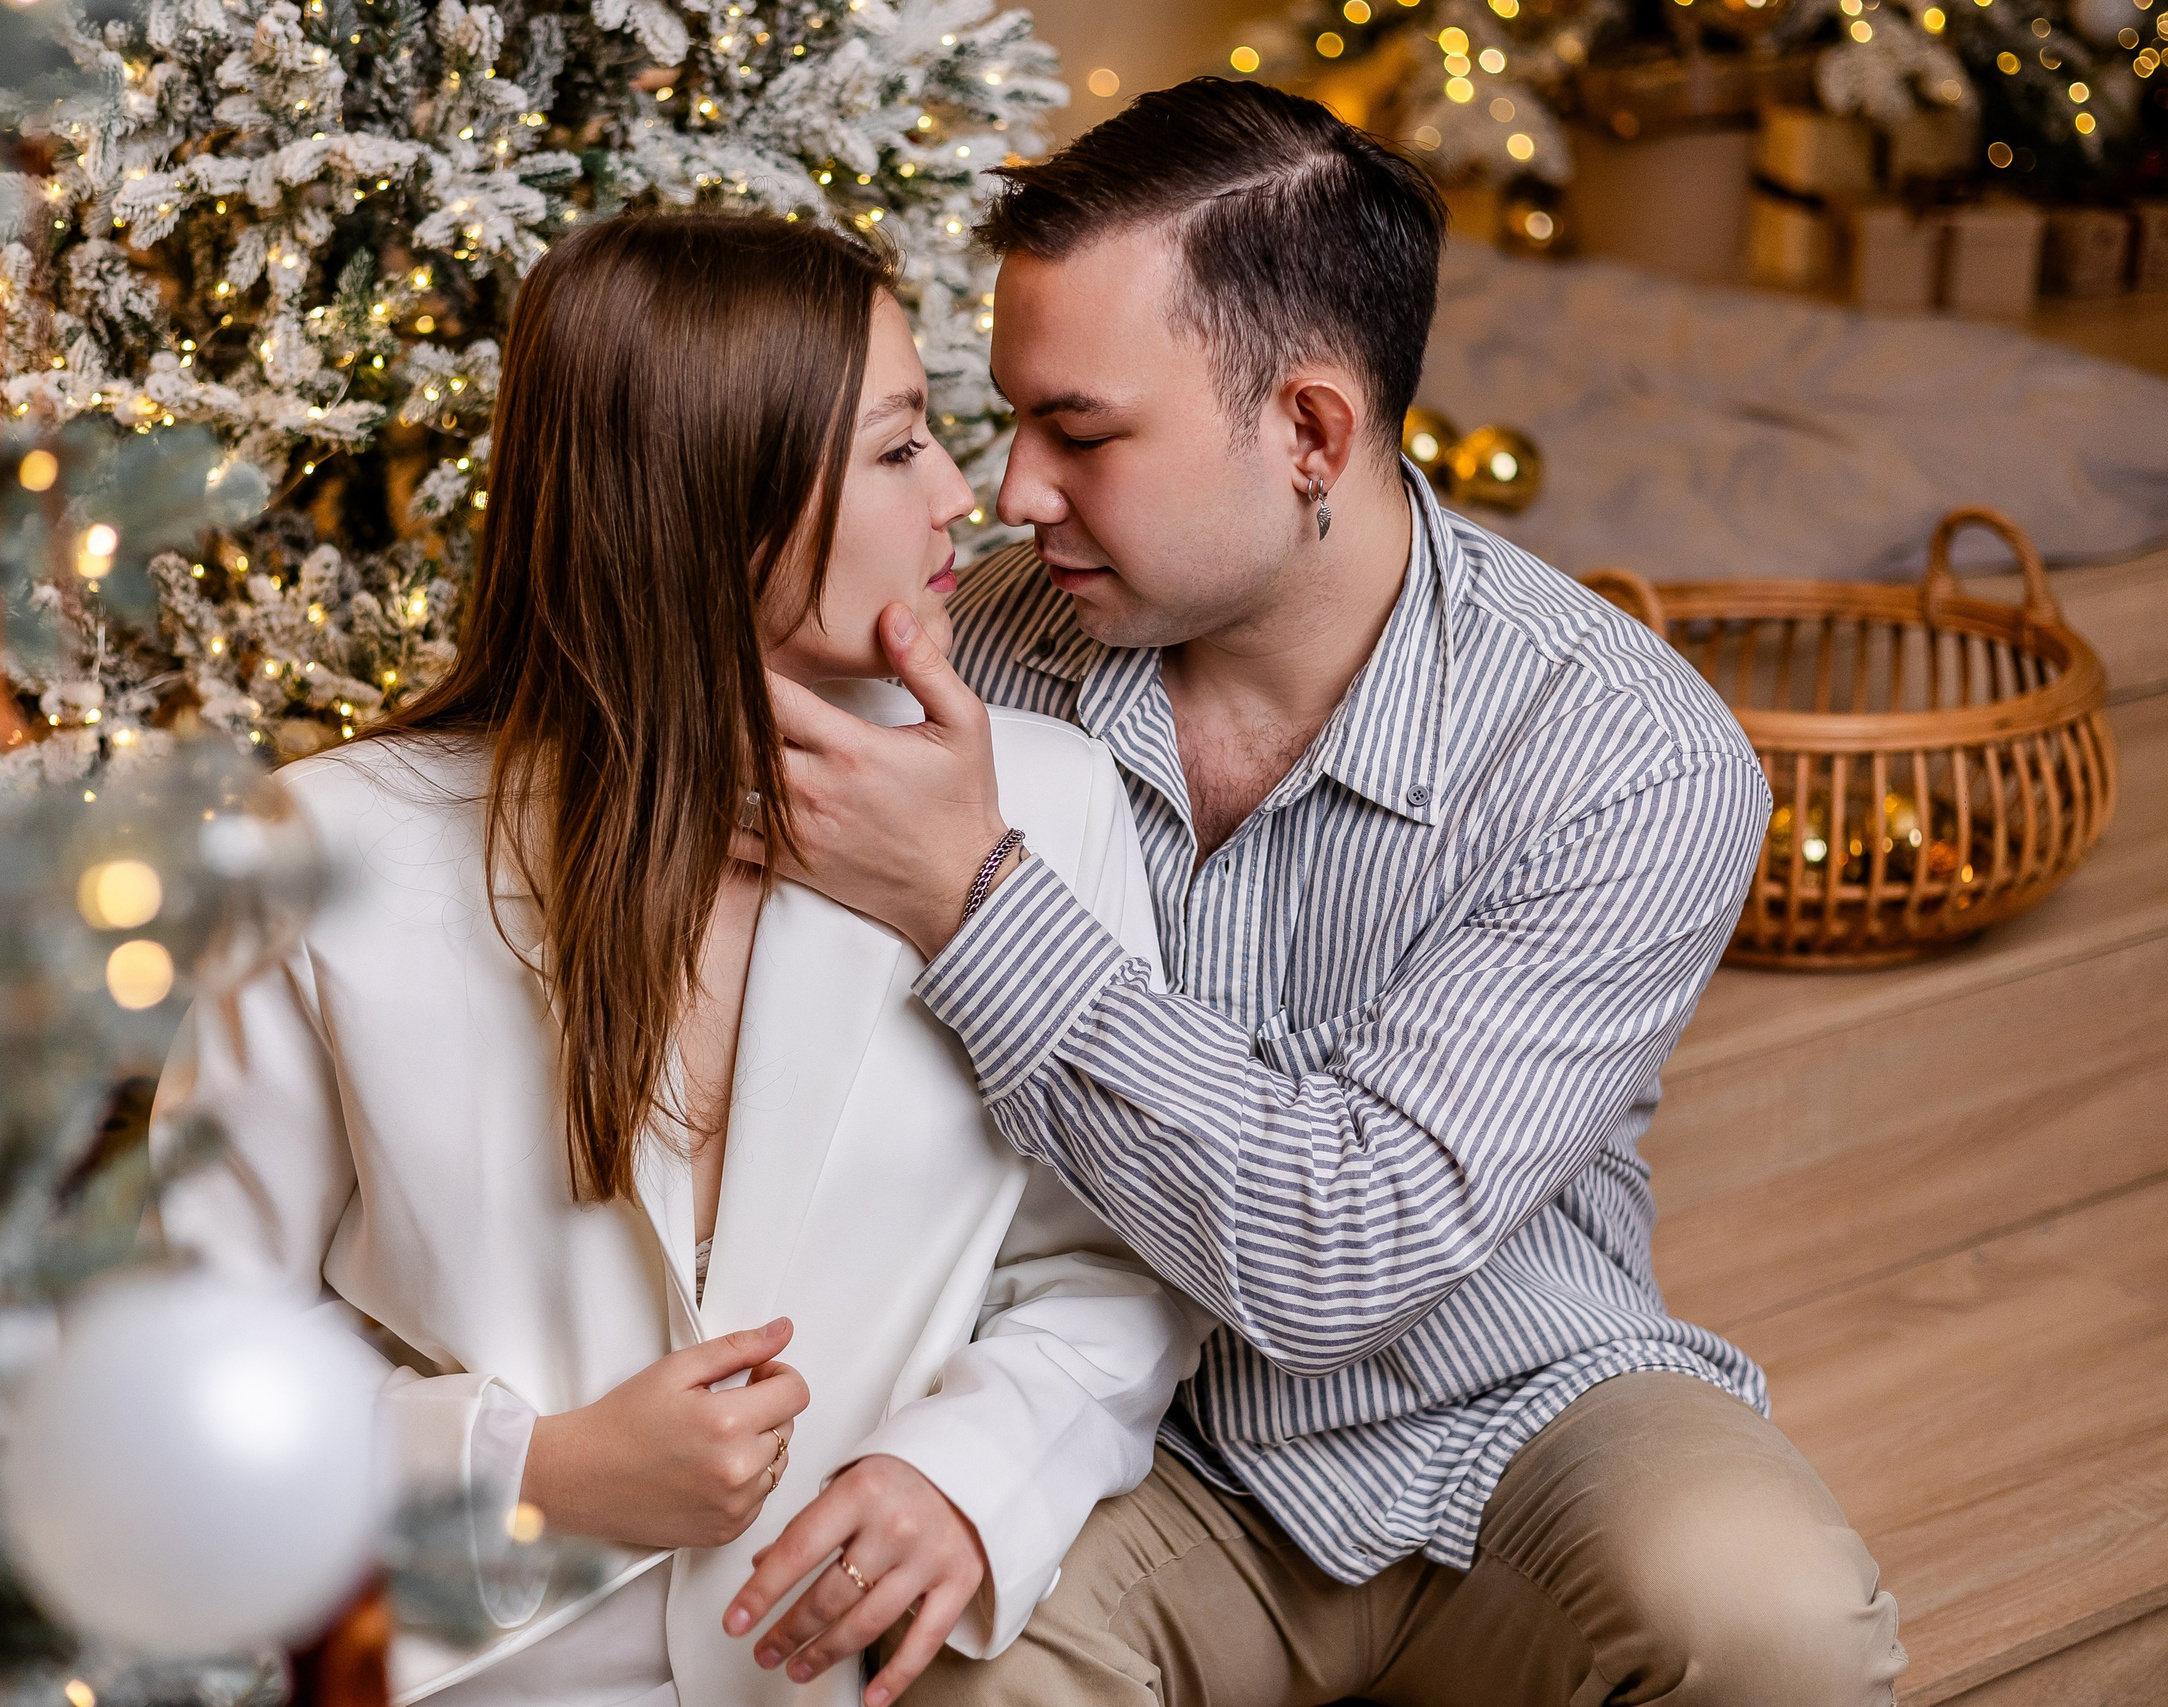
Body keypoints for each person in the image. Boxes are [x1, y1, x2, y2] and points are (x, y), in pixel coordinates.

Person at [732, 79, 1909, 1706]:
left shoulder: (1634, 758)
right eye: (1002, 418)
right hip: (1114, 1437)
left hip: (1514, 1415)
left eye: (1080, 431)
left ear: (1309, 433)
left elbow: (1343, 1249)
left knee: (1773, 1623)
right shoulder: (971, 654)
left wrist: (976, 899)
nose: (1009, 491)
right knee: (891, 1670)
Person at [147, 212, 1203, 1707]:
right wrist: (538, 1476)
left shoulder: (1037, 805)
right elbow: (202, 1364)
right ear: (720, 493)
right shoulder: (329, 848)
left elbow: (1106, 1265)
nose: (966, 495)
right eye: (901, 447)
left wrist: (961, 1478)